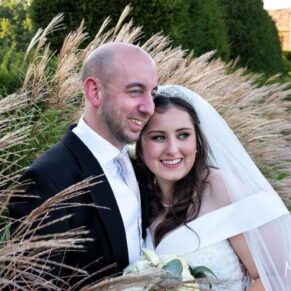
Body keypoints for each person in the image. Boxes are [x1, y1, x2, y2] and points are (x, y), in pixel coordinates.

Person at [9, 42, 158, 288]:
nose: (149, 107)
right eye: (135, 91)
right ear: (94, 92)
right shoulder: (46, 181)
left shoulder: (139, 165)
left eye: (152, 93)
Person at [136, 85, 291, 290]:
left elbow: (274, 275)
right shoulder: (138, 197)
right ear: (139, 144)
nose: (173, 149)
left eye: (183, 135)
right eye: (158, 137)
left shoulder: (221, 188)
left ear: (197, 141)